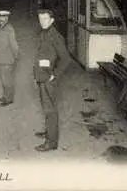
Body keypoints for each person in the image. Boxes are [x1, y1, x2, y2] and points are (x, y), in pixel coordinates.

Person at [33, 9, 71, 152]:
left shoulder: (55, 36)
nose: (42, 22)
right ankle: (49, 132)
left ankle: (51, 142)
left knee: (50, 110)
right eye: (40, 19)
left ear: (52, 20)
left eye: (45, 19)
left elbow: (66, 59)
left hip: (48, 78)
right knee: (46, 108)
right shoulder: (45, 33)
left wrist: (54, 75)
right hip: (42, 76)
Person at [0, 10, 20, 106]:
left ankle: (9, 99)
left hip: (7, 59)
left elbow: (14, 45)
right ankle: (5, 96)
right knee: (4, 79)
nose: (0, 19)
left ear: (7, 18)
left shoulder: (9, 29)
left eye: (3, 17)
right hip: (1, 59)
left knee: (7, 80)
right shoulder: (1, 28)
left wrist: (15, 57)